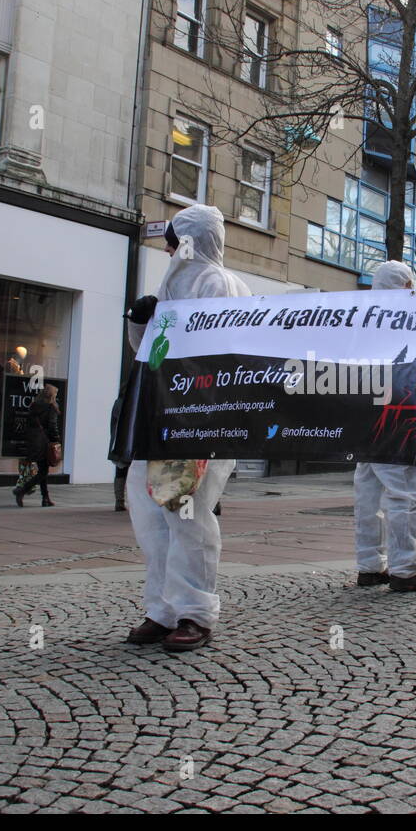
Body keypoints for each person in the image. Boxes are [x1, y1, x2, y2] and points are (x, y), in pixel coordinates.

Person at [123, 205, 249, 652]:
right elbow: (152, 354)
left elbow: (228, 355)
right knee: (148, 504)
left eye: (174, 239)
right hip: (163, 415)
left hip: (204, 419)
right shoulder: (172, 285)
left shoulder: (220, 285)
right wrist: (141, 322)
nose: (167, 247)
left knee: (187, 513)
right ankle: (163, 608)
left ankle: (195, 612)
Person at [353, 261, 416, 593]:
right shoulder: (405, 318)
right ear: (404, 285)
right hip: (396, 415)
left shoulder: (362, 316)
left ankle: (369, 565)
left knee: (368, 490)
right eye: (411, 285)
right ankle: (405, 569)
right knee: (404, 489)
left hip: (364, 413)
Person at [13, 385, 61, 507]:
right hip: (45, 443)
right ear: (52, 396)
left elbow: (29, 424)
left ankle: (45, 498)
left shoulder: (34, 406)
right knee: (43, 472)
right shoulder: (52, 407)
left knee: (42, 470)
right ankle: (22, 490)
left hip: (35, 441)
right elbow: (52, 425)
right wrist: (56, 440)